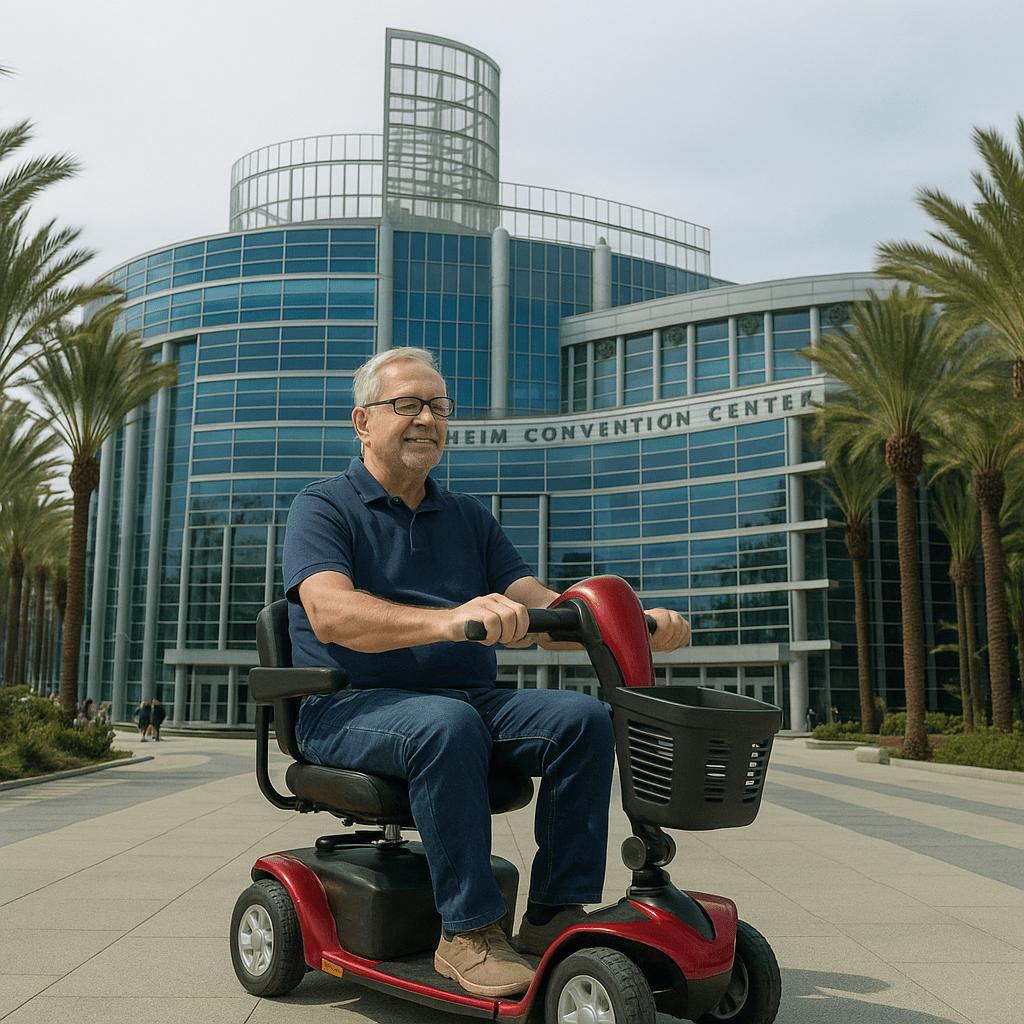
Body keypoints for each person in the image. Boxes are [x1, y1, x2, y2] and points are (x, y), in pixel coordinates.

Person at [284, 348, 691, 998]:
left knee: (582, 720)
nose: (427, 418)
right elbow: (331, 614)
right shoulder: (324, 507)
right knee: (446, 725)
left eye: (439, 407)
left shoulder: (469, 517)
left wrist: (632, 622)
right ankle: (467, 933)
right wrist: (448, 620)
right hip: (348, 707)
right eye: (408, 405)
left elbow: (544, 612)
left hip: (468, 701)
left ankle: (553, 912)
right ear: (362, 421)